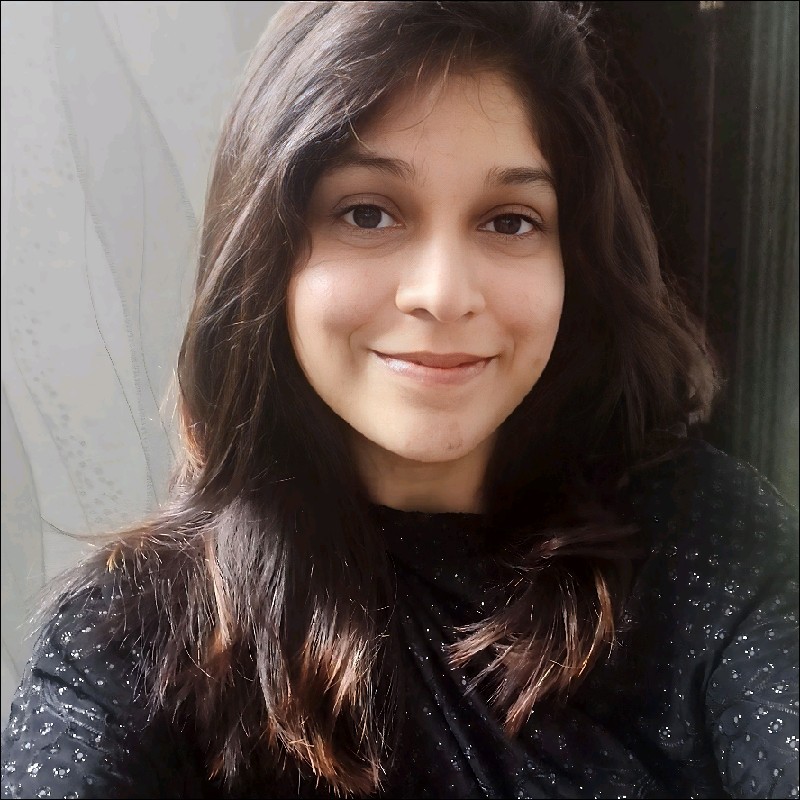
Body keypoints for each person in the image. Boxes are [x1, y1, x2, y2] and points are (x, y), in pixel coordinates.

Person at [1, 2, 797, 798]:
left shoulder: (704, 536)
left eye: (510, 221)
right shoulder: (131, 636)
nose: (443, 294)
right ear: (267, 253)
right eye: (367, 213)